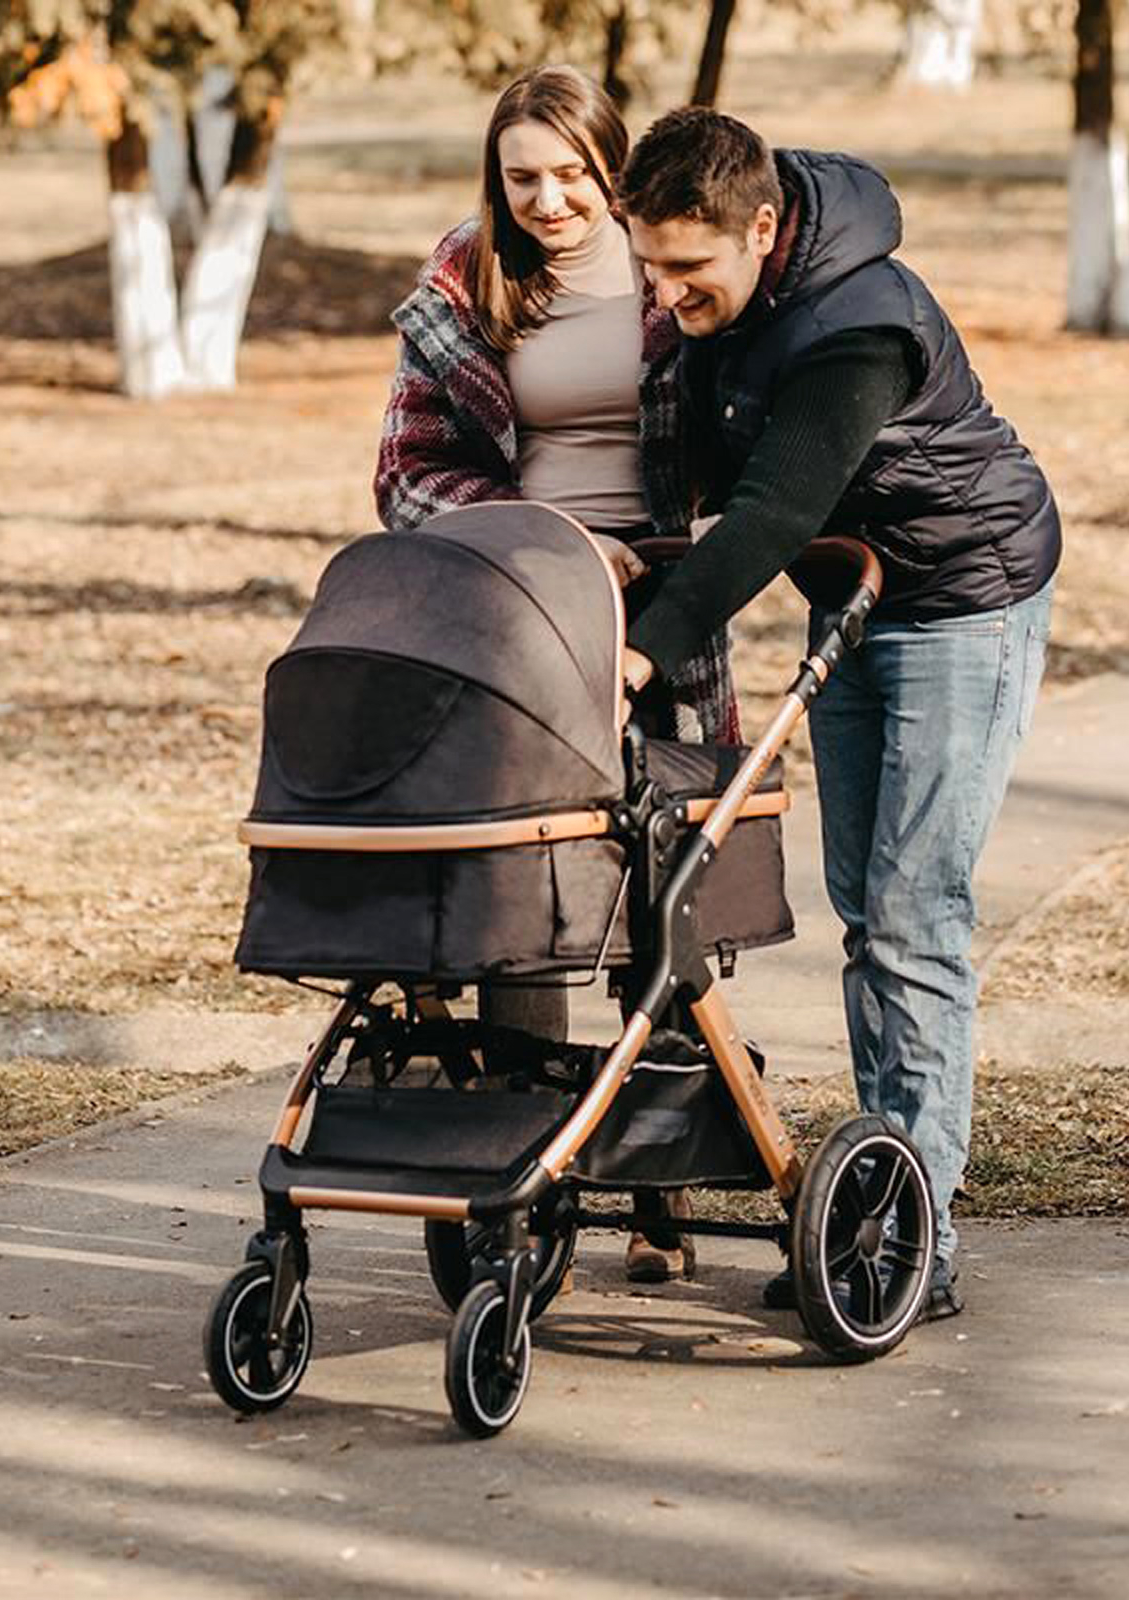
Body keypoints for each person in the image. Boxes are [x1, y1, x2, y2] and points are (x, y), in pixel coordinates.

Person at [617, 109, 1062, 1321]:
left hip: (962, 598)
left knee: (914, 917)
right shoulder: (734, 301)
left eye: (686, 268)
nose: (663, 292)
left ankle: (918, 1233)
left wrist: (638, 655)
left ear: (761, 227)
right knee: (866, 907)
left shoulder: (858, 323)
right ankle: (887, 1186)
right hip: (858, 598)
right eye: (648, 265)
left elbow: (768, 515)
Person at [373, 65, 721, 1283]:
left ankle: (662, 1182)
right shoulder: (466, 278)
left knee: (664, 891)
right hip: (521, 604)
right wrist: (543, 540)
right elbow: (405, 475)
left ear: (613, 169)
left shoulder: (669, 262)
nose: (549, 200)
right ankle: (526, 1193)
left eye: (573, 174)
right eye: (523, 177)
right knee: (524, 893)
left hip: (664, 604)